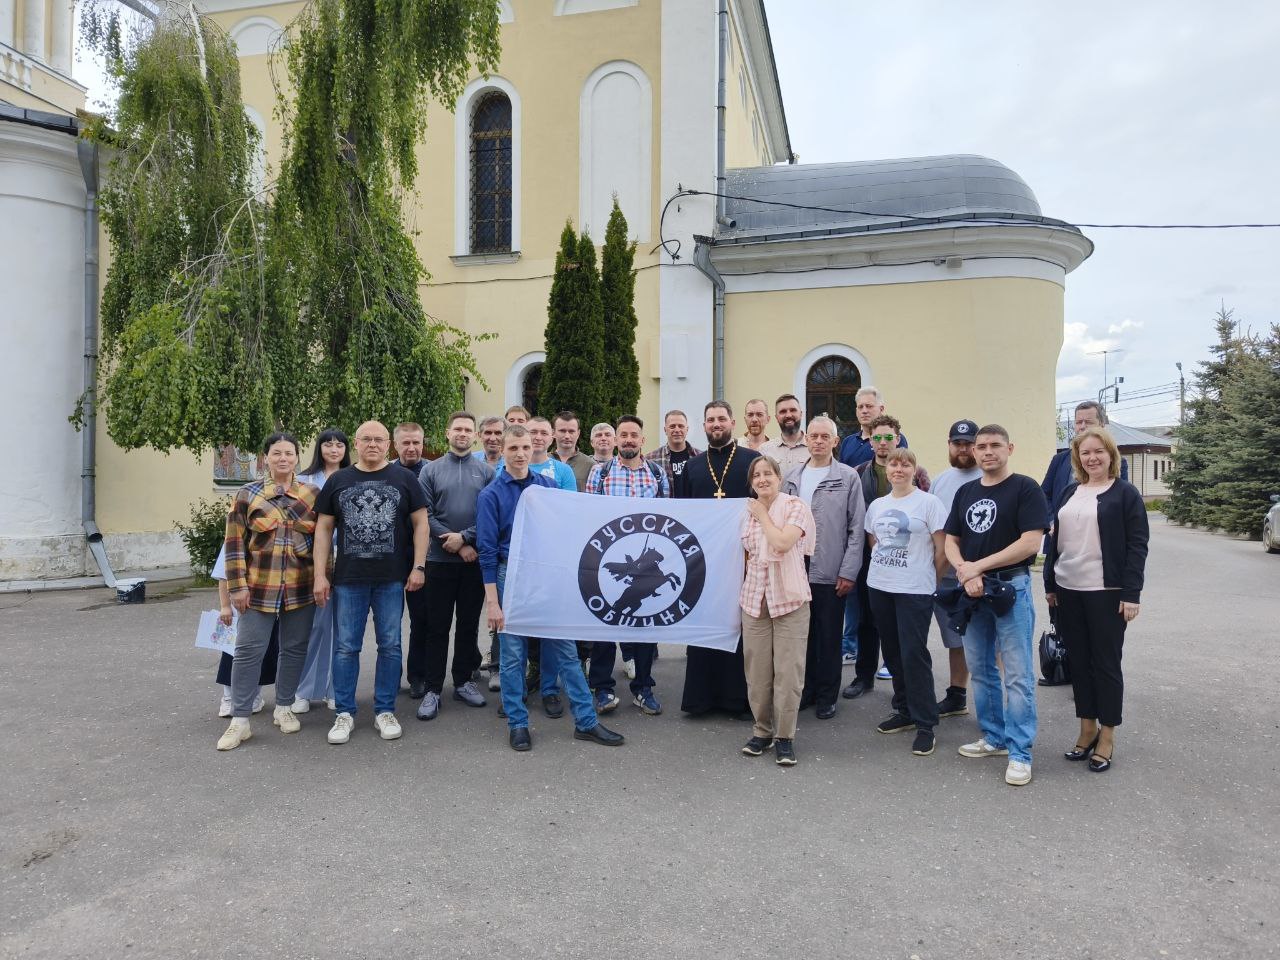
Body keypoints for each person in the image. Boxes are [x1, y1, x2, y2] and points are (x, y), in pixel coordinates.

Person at [478, 424, 624, 752]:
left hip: (545, 575)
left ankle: (586, 722)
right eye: (513, 448)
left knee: (566, 653)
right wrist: (492, 602)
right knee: (513, 656)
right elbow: (487, 551)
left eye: (525, 448)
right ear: (502, 451)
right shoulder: (491, 495)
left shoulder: (546, 487)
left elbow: (563, 534)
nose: (519, 454)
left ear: (534, 449)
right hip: (509, 577)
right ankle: (517, 723)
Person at [944, 424, 1048, 786]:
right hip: (971, 590)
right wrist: (963, 570)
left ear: (1010, 448)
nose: (987, 451)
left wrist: (979, 567)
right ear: (973, 451)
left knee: (1017, 674)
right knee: (981, 667)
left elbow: (1031, 543)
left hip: (1010, 587)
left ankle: (1020, 752)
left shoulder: (1025, 488)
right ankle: (994, 737)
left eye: (994, 445)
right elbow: (951, 540)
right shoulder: (966, 492)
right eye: (981, 446)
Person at [313, 420, 430, 745]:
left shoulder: (404, 478)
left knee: (390, 645)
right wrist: (319, 574)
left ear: (388, 444)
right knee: (347, 646)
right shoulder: (339, 480)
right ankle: (345, 713)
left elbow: (421, 524)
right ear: (357, 442)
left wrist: (418, 566)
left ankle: (384, 710)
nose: (373, 444)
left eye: (379, 439)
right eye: (367, 439)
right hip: (349, 579)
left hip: (391, 578)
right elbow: (322, 529)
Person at [1044, 427, 1149, 773]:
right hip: (1068, 589)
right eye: (1086, 453)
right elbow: (1055, 541)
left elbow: (1137, 546)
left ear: (1111, 455)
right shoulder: (1070, 492)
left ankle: (1107, 734)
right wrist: (1050, 583)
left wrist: (1131, 594)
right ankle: (1086, 728)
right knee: (1079, 663)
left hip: (1107, 593)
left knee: (1105, 664)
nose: (1092, 458)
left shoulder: (1125, 494)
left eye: (1098, 452)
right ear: (1078, 458)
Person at [216, 433, 319, 751]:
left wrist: (323, 579)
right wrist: (237, 586)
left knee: (294, 648)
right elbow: (233, 545)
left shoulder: (312, 494)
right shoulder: (248, 494)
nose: (283, 458)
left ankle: (284, 707)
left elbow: (324, 542)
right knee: (248, 652)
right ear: (266, 458)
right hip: (259, 587)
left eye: (289, 453)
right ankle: (241, 719)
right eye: (277, 453)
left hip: (301, 587)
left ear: (297, 458)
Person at [675, 401, 760, 717]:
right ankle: (701, 699)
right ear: (704, 426)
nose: (716, 424)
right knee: (704, 623)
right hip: (703, 561)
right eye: (710, 420)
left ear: (732, 422)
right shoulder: (694, 467)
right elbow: (682, 514)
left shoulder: (753, 461)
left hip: (744, 558)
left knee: (739, 626)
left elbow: (762, 503)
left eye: (721, 419)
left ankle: (738, 700)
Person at [864, 448, 949, 757]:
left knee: (914, 653)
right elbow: (875, 542)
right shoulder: (877, 505)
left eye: (906, 464)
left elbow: (942, 549)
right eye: (894, 463)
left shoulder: (929, 503)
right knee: (893, 651)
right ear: (887, 469)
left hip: (915, 589)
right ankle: (903, 709)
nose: (898, 468)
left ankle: (926, 722)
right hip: (880, 586)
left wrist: (931, 579)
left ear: (915, 469)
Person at [584, 415, 670, 716]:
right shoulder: (600, 472)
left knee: (644, 627)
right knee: (604, 626)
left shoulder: (658, 475)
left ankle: (643, 689)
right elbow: (589, 516)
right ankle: (603, 688)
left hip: (645, 567)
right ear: (616, 439)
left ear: (642, 439)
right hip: (609, 559)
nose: (629, 439)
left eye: (635, 434)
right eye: (624, 435)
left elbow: (666, 521)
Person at [413, 412, 495, 721]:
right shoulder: (431, 470)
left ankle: (463, 681)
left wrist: (464, 539)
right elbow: (424, 513)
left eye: (467, 430)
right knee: (437, 626)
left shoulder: (486, 472)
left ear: (474, 436)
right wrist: (452, 541)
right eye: (457, 429)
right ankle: (434, 689)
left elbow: (490, 513)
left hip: (473, 560)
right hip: (438, 560)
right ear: (447, 433)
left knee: (468, 624)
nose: (462, 433)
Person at [781, 415, 864, 720]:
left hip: (830, 569)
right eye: (813, 436)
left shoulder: (847, 477)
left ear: (834, 441)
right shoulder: (791, 477)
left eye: (824, 437)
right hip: (796, 567)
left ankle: (828, 695)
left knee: (829, 636)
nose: (818, 441)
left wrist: (848, 571)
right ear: (806, 440)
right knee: (802, 634)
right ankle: (807, 690)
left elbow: (856, 528)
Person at [843, 415, 929, 701]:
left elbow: (925, 513)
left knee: (902, 626)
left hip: (908, 557)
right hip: (871, 555)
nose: (882, 442)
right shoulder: (858, 472)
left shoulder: (917, 473)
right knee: (867, 619)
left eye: (887, 437)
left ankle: (904, 685)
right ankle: (863, 676)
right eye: (876, 437)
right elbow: (854, 515)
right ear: (870, 442)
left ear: (897, 438)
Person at [739, 456, 816, 766]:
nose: (762, 479)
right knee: (757, 674)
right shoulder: (746, 513)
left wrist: (761, 513)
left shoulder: (795, 506)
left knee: (788, 673)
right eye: (756, 475)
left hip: (789, 601)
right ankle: (761, 731)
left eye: (767, 473)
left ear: (779, 477)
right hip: (755, 600)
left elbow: (782, 543)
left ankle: (784, 737)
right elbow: (745, 554)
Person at [928, 420, 982, 720]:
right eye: (957, 443)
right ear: (949, 445)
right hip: (947, 574)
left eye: (968, 443)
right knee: (954, 637)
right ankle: (957, 695)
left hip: (980, 574)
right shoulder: (939, 481)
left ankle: (994, 703)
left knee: (990, 642)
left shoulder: (987, 475)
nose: (963, 449)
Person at [294, 428, 350, 710]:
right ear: (319, 448)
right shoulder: (303, 481)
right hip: (314, 561)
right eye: (328, 445)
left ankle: (334, 690)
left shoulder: (353, 477)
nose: (334, 450)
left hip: (348, 562)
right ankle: (303, 691)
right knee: (313, 626)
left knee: (343, 629)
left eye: (339, 445)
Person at [210, 543, 275, 718]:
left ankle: (254, 696)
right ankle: (228, 698)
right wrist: (225, 606)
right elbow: (224, 577)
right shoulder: (233, 539)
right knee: (232, 655)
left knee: (263, 654)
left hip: (266, 607)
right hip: (239, 611)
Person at [1041, 401, 1129, 517]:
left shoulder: (1116, 462)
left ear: (1102, 425)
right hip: (1060, 530)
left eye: (1088, 422)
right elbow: (1043, 495)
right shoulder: (1059, 460)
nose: (1082, 426)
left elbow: (1122, 500)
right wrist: (1054, 521)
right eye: (1078, 422)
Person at [497, 416, 576, 491]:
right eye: (533, 432)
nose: (538, 438)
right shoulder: (505, 470)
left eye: (544, 433)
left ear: (551, 439)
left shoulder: (564, 471)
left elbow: (569, 503)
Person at [837, 386, 909, 468]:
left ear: (881, 409)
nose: (864, 411)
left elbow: (900, 471)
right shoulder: (848, 441)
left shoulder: (892, 438)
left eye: (869, 406)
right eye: (860, 407)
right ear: (856, 411)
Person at [645, 409, 701, 492]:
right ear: (665, 430)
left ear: (687, 429)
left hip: (693, 505)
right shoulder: (651, 460)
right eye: (672, 426)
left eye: (681, 426)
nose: (677, 430)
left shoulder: (700, 457)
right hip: (664, 505)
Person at [760, 394, 809, 474]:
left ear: (801, 414)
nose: (788, 415)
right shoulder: (765, 450)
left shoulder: (814, 447)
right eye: (783, 411)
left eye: (793, 410)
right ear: (776, 418)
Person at [551, 410, 594, 492]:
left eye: (571, 431)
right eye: (562, 431)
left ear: (578, 433)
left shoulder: (590, 465)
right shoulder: (543, 461)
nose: (567, 436)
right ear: (553, 433)